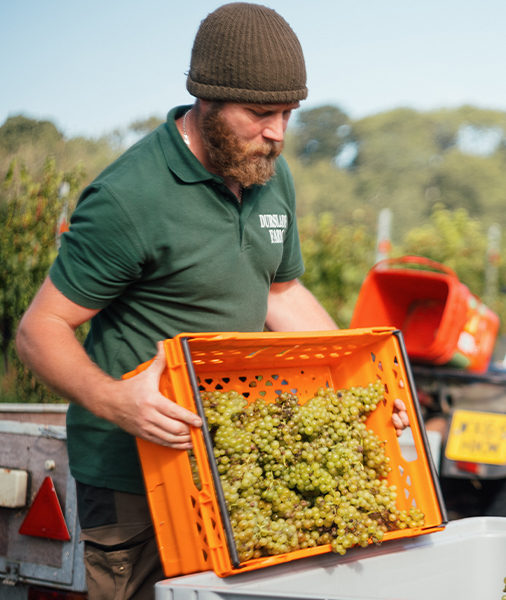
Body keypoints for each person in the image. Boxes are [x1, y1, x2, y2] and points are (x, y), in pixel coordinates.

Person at [15, 4, 408, 599]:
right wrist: (117, 401)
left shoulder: (270, 174)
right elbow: (40, 328)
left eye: (287, 114)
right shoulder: (130, 197)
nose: (277, 132)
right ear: (206, 99)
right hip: (134, 477)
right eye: (260, 113)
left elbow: (282, 291)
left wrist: (360, 386)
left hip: (230, 459)